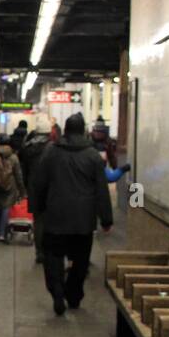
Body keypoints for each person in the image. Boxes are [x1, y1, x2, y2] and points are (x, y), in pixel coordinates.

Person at [27, 112, 113, 315]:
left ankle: (57, 293)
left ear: (65, 130)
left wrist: (37, 208)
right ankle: (73, 295)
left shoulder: (51, 152)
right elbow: (102, 189)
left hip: (55, 217)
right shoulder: (92, 155)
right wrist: (106, 218)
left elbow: (39, 183)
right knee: (80, 261)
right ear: (83, 131)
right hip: (83, 221)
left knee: (53, 257)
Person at [18, 130, 50, 263]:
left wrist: (25, 188)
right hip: (49, 187)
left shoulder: (26, 149)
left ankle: (39, 252)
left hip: (34, 187)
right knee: (51, 220)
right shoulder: (52, 147)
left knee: (38, 221)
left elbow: (23, 171)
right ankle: (49, 250)